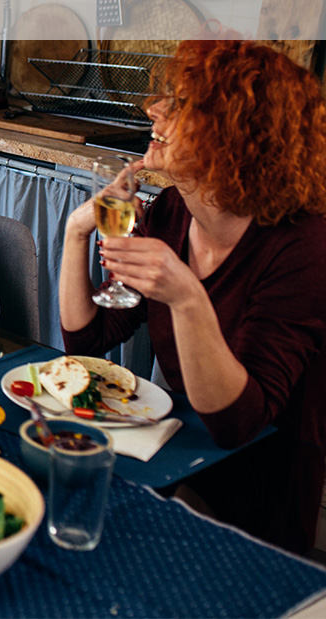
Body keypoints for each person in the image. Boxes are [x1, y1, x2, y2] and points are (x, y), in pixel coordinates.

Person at [58, 38, 326, 554]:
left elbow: (241, 423)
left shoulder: (304, 247)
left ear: (235, 134)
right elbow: (89, 343)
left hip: (262, 495)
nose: (153, 110)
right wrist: (76, 234)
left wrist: (186, 298)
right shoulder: (171, 212)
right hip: (179, 457)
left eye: (178, 104)